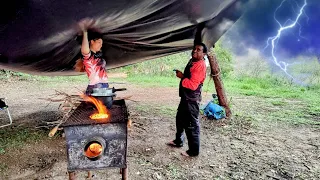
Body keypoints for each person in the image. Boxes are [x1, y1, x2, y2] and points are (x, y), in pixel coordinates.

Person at [167, 42, 210, 157]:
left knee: (191, 124)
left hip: (192, 100)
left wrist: (182, 77)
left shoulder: (200, 66)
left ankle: (193, 151)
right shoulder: (193, 61)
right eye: (194, 49)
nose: (195, 51)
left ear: (204, 53)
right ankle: (178, 141)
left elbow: (192, 85)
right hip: (185, 98)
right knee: (180, 119)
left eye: (199, 50)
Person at [76, 20, 108, 95]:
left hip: (104, 85)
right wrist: (85, 32)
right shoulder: (89, 57)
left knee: (105, 105)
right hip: (96, 87)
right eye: (99, 42)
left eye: (101, 43)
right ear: (92, 42)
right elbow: (85, 50)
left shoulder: (98, 55)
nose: (101, 45)